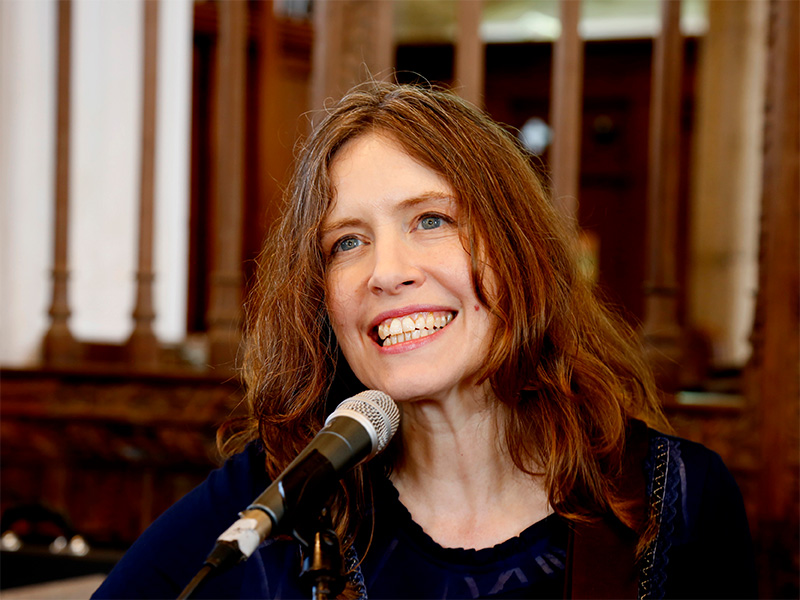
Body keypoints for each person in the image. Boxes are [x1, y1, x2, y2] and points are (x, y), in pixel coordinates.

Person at [93, 82, 756, 599]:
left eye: (431, 220)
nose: (386, 272)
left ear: (517, 250)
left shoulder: (676, 500)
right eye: (347, 242)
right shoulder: (280, 497)